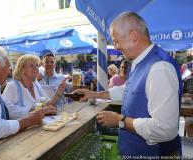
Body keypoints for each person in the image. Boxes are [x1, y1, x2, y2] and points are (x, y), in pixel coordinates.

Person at [74, 12, 182, 157]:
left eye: (116, 41)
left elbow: (165, 129)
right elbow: (129, 90)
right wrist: (95, 94)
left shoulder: (159, 67)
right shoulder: (140, 62)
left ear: (133, 35)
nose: (116, 46)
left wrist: (120, 120)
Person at [2, 54, 62, 119]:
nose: (36, 68)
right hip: (22, 128)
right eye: (31, 65)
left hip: (37, 125)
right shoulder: (13, 86)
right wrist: (35, 111)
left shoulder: (35, 83)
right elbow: (6, 110)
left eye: (37, 65)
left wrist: (60, 90)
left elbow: (47, 102)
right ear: (22, 69)